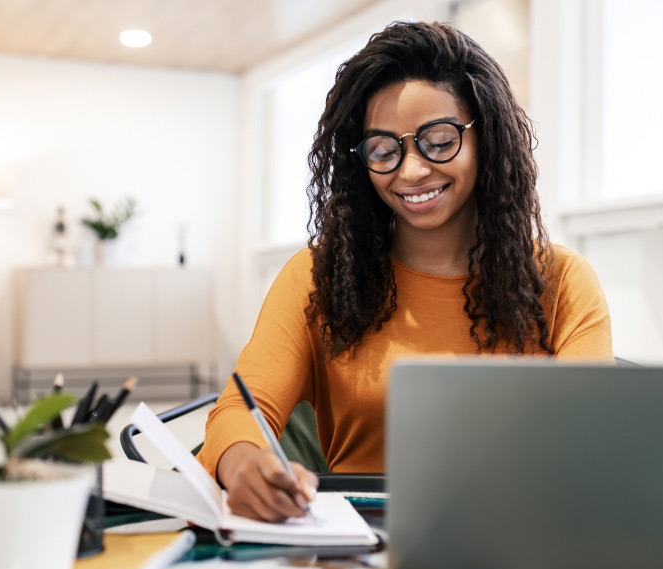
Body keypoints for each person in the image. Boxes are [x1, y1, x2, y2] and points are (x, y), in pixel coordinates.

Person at [196, 21, 613, 522]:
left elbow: (591, 446)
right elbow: (240, 411)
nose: (411, 171)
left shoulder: (562, 281)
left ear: (488, 138)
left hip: (517, 533)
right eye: (383, 150)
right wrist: (244, 466)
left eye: (439, 141)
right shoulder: (318, 276)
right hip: (359, 542)